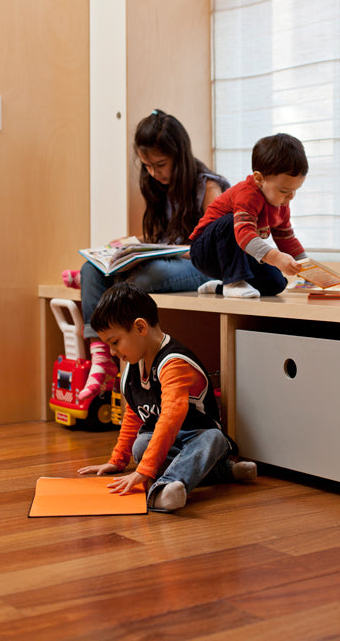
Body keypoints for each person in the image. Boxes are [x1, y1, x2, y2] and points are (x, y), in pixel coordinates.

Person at [69, 110, 230, 401]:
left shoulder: (208, 187)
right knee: (91, 268)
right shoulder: (158, 186)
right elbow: (164, 236)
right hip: (166, 259)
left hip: (202, 266)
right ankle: (102, 356)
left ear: (179, 157)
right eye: (148, 166)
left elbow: (211, 250)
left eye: (161, 165)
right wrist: (133, 245)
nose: (155, 173)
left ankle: (96, 291)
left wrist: (159, 252)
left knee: (149, 274)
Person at [76, 282, 254, 511]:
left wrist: (144, 471)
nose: (112, 352)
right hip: (170, 442)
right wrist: (117, 461)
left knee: (213, 439)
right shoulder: (132, 363)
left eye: (115, 342)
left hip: (197, 436)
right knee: (141, 445)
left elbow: (171, 418)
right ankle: (224, 472)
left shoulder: (174, 363)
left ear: (140, 328)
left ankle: (165, 489)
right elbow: (133, 413)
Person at [188, 133, 309, 299]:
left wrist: (308, 268)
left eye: (295, 190)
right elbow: (244, 234)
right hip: (206, 251)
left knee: (277, 283)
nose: (291, 197)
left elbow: (286, 239)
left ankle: (221, 285)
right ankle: (233, 282)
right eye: (284, 191)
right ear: (259, 179)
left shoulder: (281, 204)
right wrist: (276, 257)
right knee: (232, 222)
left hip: (237, 253)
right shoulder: (247, 194)